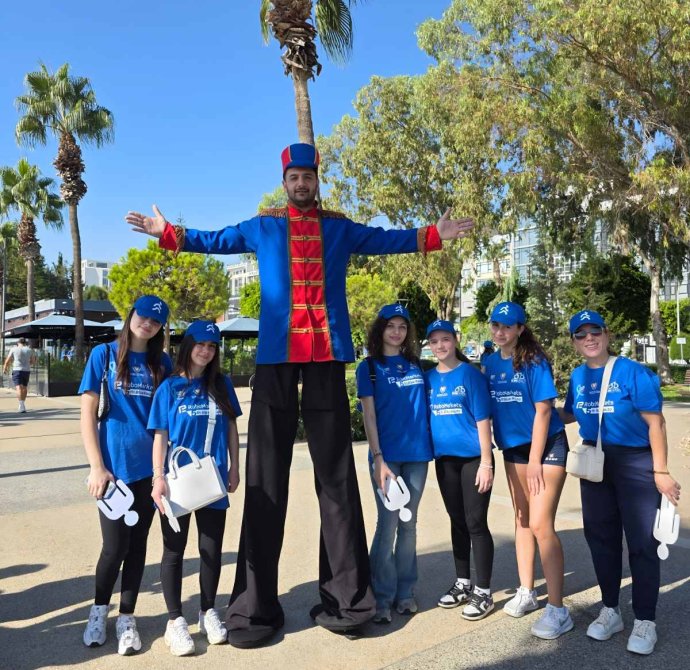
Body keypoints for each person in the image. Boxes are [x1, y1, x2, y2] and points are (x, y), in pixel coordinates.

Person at [125, 143, 474, 648]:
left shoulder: (339, 227)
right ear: (285, 181)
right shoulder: (262, 226)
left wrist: (433, 234)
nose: (302, 184)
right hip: (276, 359)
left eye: (308, 177)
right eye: (295, 177)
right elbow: (215, 239)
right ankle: (254, 606)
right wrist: (170, 234)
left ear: (316, 180)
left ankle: (347, 599)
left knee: (336, 479)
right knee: (266, 479)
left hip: (328, 356)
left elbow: (385, 240)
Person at [561, 310, 681, 655]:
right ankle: (610, 610)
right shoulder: (577, 376)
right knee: (601, 539)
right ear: (574, 342)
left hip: (635, 463)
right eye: (581, 334)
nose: (589, 339)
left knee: (642, 543)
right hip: (595, 464)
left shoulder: (632, 372)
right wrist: (534, 411)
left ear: (606, 334)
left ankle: (645, 620)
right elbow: (568, 412)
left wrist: (660, 471)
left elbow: (655, 423)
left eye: (594, 331)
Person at [79, 295, 172, 656]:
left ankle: (127, 618)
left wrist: (161, 472)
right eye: (143, 316)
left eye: (156, 321)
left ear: (160, 328)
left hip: (148, 471)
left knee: (137, 547)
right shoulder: (103, 355)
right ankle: (99, 610)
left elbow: (168, 417)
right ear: (131, 315)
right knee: (114, 547)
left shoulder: (162, 363)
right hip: (112, 473)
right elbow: (87, 414)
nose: (147, 324)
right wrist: (96, 466)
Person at [148, 320, 241, 656]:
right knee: (174, 551)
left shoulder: (222, 384)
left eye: (212, 346)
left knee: (211, 549)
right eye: (200, 344)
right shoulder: (169, 388)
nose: (206, 351)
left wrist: (235, 467)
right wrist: (157, 477)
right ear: (188, 346)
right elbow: (160, 436)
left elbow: (231, 428)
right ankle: (175, 621)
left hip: (212, 480)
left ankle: (207, 612)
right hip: (177, 483)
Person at [483, 301, 572, 639]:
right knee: (521, 519)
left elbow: (544, 411)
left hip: (546, 447)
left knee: (540, 524)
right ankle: (527, 591)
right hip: (513, 449)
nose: (500, 331)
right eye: (496, 325)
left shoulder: (534, 360)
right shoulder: (490, 363)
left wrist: (535, 460)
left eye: (507, 326)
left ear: (520, 329)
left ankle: (558, 610)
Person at [355, 304, 432, 624]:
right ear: (380, 330)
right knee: (387, 525)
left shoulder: (417, 365)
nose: (397, 332)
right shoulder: (369, 368)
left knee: (408, 523)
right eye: (391, 326)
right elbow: (369, 416)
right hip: (385, 458)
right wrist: (378, 459)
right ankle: (382, 596)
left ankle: (405, 592)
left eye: (402, 326)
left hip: (417, 456)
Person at [425, 320, 495, 620]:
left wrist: (486, 462)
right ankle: (463, 583)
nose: (440, 346)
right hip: (445, 462)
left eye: (445, 339)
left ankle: (484, 592)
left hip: (474, 461)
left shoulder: (470, 374)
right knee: (457, 522)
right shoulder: (428, 378)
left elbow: (483, 419)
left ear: (455, 340)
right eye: (434, 341)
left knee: (475, 523)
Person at [3, 338, 36, 412]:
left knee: (19, 388)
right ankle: (22, 404)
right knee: (24, 387)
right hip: (26, 371)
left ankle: (21, 405)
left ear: (18, 343)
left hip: (17, 370)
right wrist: (27, 364)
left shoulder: (14, 349)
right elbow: (33, 361)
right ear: (25, 343)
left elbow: (8, 360)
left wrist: (5, 368)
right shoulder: (29, 350)